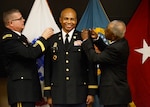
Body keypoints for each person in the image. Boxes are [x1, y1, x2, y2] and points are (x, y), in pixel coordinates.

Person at [43, 8, 98, 107]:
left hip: (79, 93)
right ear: (60, 20)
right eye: (66, 19)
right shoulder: (52, 40)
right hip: (58, 94)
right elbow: (47, 68)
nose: (69, 22)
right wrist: (48, 94)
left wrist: (91, 92)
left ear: (76, 21)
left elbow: (90, 66)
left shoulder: (83, 38)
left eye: (72, 19)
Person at [0, 9, 54, 107]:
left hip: (28, 91)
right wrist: (43, 38)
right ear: (11, 23)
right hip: (21, 92)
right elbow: (30, 53)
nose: (23, 20)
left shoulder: (21, 38)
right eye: (20, 18)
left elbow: (35, 54)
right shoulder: (9, 40)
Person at [81, 20, 132, 107]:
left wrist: (86, 40)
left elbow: (95, 58)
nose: (104, 31)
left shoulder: (116, 48)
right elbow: (107, 51)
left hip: (115, 96)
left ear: (113, 35)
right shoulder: (122, 42)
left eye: (107, 30)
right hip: (117, 95)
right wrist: (96, 39)